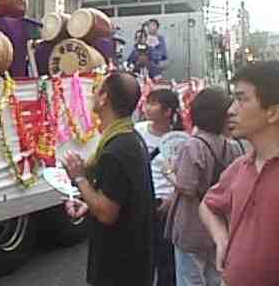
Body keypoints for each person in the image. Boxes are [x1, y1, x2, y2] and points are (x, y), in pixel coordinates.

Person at [63, 72, 155, 286]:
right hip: (134, 263)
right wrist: (88, 205)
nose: (93, 94)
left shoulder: (116, 150)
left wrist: (80, 178)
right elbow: (121, 198)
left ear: (104, 98)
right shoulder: (130, 138)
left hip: (118, 268)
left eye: (97, 89)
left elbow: (106, 213)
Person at [199, 61, 279, 286]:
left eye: (242, 99)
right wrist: (222, 238)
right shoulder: (241, 167)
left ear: (273, 113)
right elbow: (207, 205)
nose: (230, 110)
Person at [165, 87, 240, 286]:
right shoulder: (233, 147)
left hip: (192, 226)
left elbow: (186, 187)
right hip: (218, 227)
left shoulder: (193, 146)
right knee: (214, 278)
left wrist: (170, 173)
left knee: (190, 279)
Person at [136, 89, 182, 286]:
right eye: (147, 102)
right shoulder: (138, 131)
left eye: (153, 103)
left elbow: (185, 175)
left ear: (168, 111)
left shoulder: (179, 139)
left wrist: (172, 199)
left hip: (167, 205)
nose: (147, 107)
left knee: (166, 260)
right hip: (144, 201)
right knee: (142, 258)